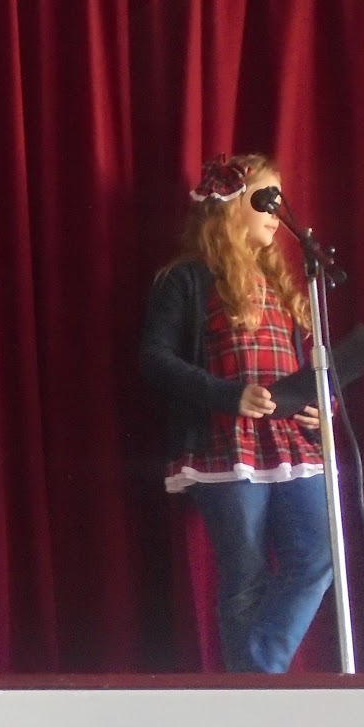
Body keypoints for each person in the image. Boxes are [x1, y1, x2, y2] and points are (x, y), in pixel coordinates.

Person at [138, 152, 333, 673]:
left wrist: (320, 406)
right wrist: (230, 396)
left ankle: (258, 676)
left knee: (318, 554)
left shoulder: (283, 283)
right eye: (265, 200)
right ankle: (255, 689)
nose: (276, 213)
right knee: (245, 575)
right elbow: (155, 359)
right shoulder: (186, 279)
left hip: (291, 442)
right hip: (226, 444)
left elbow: (304, 362)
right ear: (229, 207)